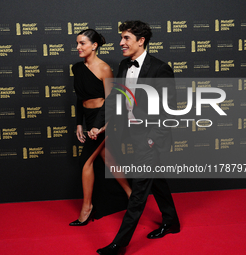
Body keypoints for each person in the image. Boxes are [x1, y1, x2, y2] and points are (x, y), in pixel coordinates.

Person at [89, 21, 180, 254]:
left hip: (150, 138)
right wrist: (98, 125)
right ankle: (172, 221)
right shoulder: (123, 65)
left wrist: (151, 139)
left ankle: (120, 243)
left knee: (139, 191)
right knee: (156, 181)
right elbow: (114, 99)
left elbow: (169, 109)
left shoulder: (160, 69)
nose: (121, 43)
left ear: (141, 41)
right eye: (121, 38)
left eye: (126, 38)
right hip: (133, 134)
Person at [69, 29, 132, 226]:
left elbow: (112, 102)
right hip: (88, 118)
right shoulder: (77, 68)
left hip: (103, 119)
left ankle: (87, 208)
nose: (78, 47)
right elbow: (80, 98)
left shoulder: (104, 68)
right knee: (108, 158)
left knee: (85, 162)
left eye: (82, 43)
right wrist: (79, 123)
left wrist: (100, 126)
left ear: (94, 46)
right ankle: (133, 195)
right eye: (77, 43)